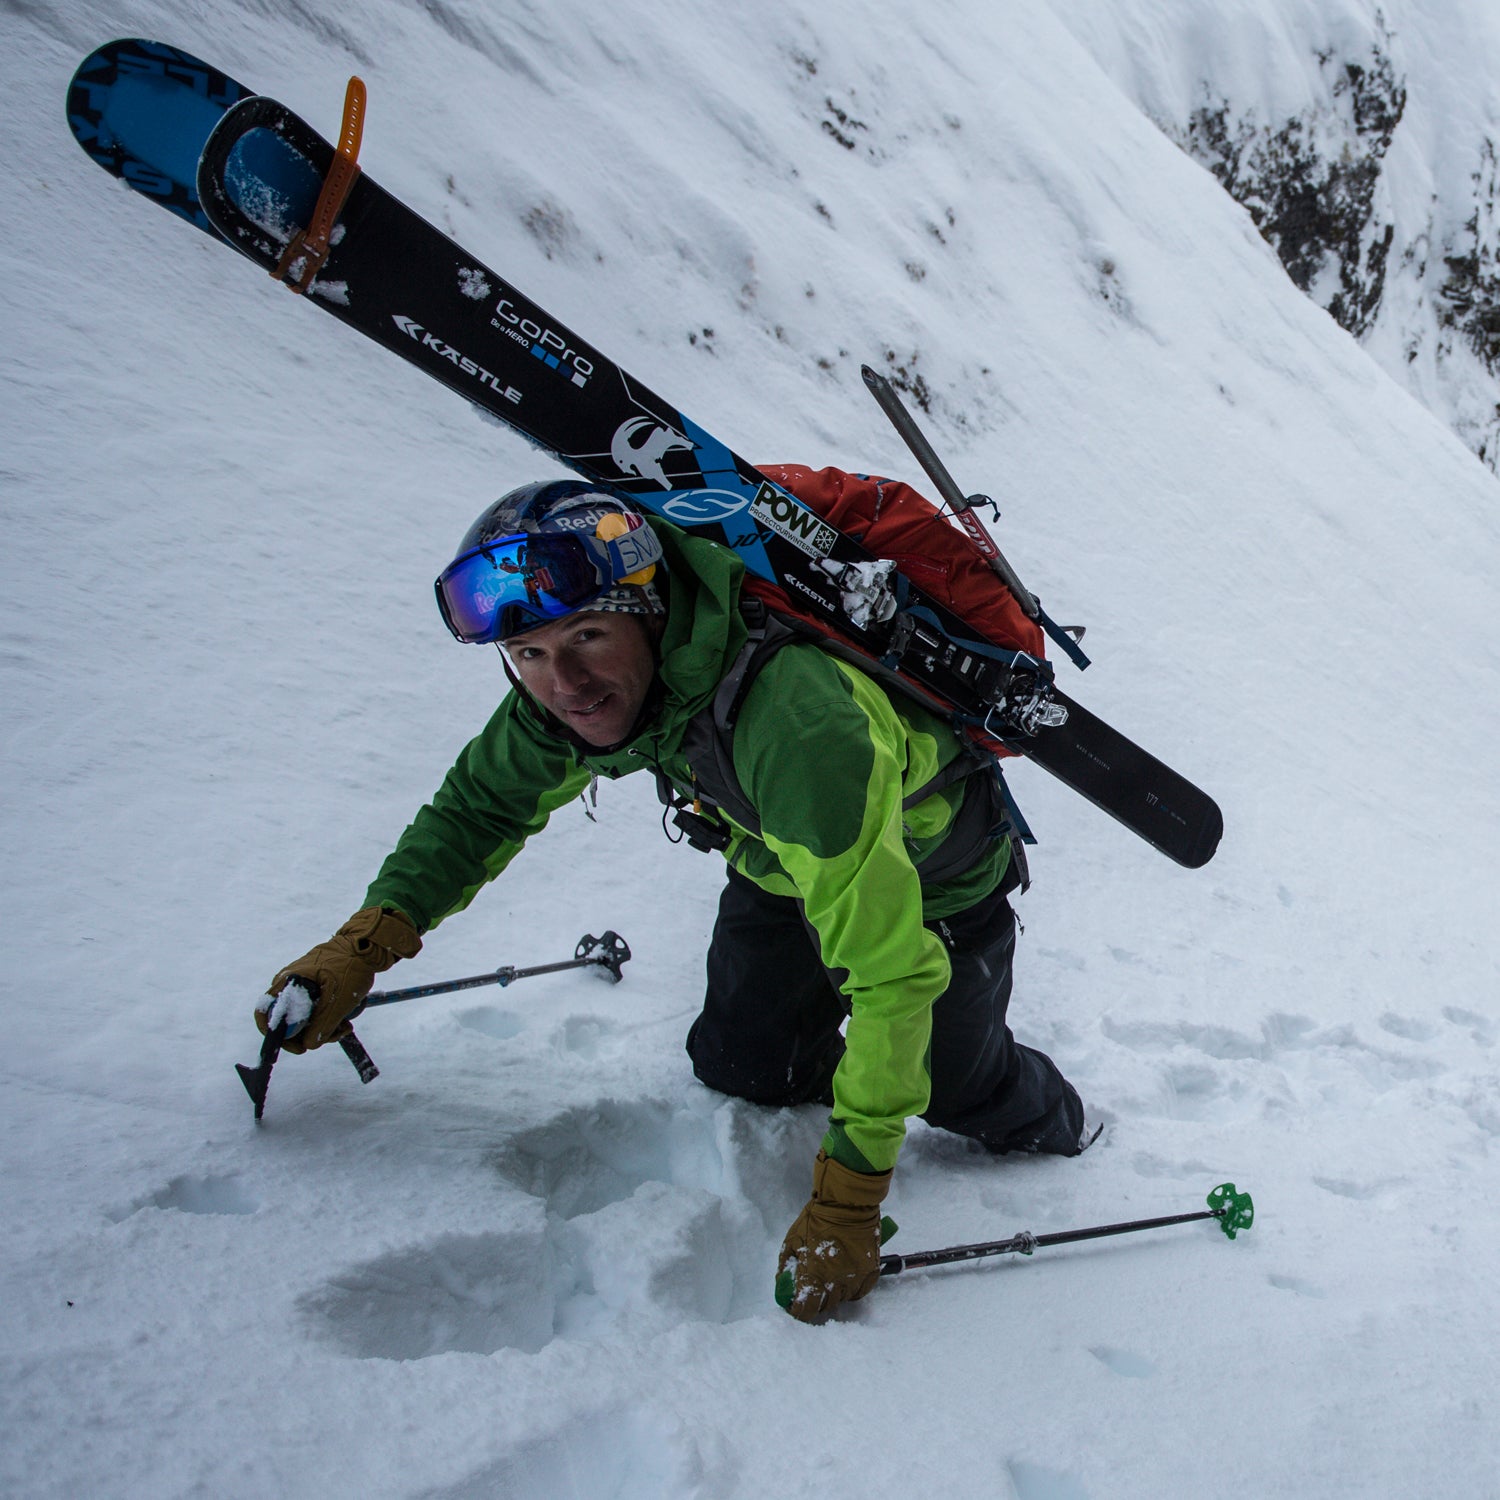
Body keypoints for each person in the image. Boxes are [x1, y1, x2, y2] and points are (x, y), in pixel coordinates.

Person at [257, 473, 1088, 1323]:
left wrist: (851, 1196)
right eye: (529, 655)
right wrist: (363, 944)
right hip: (778, 871)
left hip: (933, 883)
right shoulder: (582, 697)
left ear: (650, 610)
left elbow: (892, 974)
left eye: (586, 635)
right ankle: (859, 1065)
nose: (565, 683)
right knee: (741, 1065)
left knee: (956, 1085)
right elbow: (481, 805)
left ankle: (1063, 1121)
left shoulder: (795, 720)